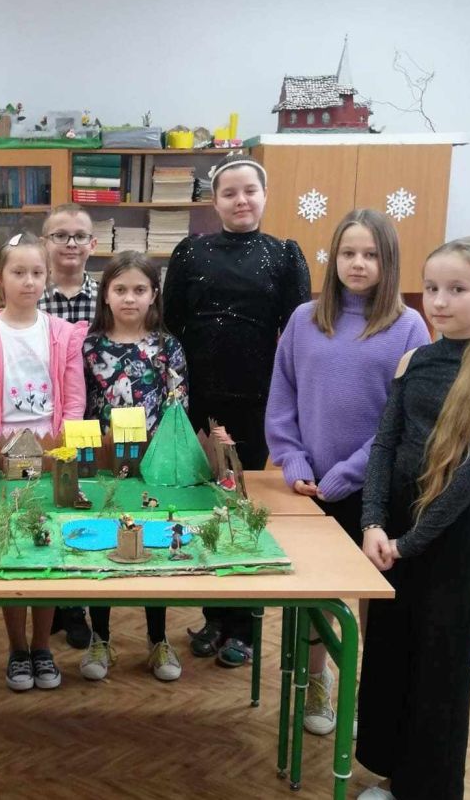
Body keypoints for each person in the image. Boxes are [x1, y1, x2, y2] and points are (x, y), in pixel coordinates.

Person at [355, 238, 470, 800]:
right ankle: (389, 773)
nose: (439, 301)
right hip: (396, 529)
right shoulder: (415, 360)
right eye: (431, 288)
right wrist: (374, 524)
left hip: (450, 537)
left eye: (457, 289)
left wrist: (409, 543)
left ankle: (425, 788)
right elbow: (384, 446)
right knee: (393, 653)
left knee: (439, 668)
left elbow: (469, 478)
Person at [265, 209, 430, 735]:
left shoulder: (408, 327)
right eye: (348, 253)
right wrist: (293, 459)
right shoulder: (304, 320)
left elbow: (404, 419)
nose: (358, 264)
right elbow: (282, 398)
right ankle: (317, 681)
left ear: (389, 261)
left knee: (371, 603)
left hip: (375, 491)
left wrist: (351, 473)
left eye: (371, 255)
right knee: (318, 595)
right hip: (310, 487)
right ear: (333, 258)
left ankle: (368, 697)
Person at [162, 153, 310, 669]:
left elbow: (297, 334)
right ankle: (214, 616)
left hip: (258, 401)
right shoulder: (191, 252)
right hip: (199, 400)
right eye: (229, 192)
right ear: (215, 201)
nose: (241, 200)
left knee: (242, 507)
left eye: (250, 191)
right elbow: (172, 323)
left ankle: (244, 624)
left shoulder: (285, 255)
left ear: (264, 196)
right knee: (205, 504)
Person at [0, 231, 87, 692]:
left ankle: (41, 646)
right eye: (18, 272)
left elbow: (74, 399)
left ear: (47, 277)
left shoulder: (61, 334)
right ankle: (17, 647)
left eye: (37, 272)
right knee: (11, 547)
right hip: (4, 455)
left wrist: (60, 448)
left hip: (51, 455)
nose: (28, 281)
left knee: (46, 544)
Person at [80, 252, 188, 683]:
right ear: (105, 294)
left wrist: (169, 457)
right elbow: (82, 406)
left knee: (153, 544)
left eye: (139, 289)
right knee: (105, 542)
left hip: (152, 468)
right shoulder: (90, 347)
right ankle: (100, 637)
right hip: (104, 466)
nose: (129, 298)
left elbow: (178, 407)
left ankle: (158, 639)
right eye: (120, 289)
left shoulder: (168, 347)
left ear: (154, 294)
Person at [39, 202, 99, 649]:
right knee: (50, 502)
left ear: (93, 244)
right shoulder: (31, 293)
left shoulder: (106, 296)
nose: (70, 243)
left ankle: (78, 602)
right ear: (46, 243)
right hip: (44, 418)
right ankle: (49, 596)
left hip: (95, 418)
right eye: (60, 235)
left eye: (79, 235)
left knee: (84, 504)